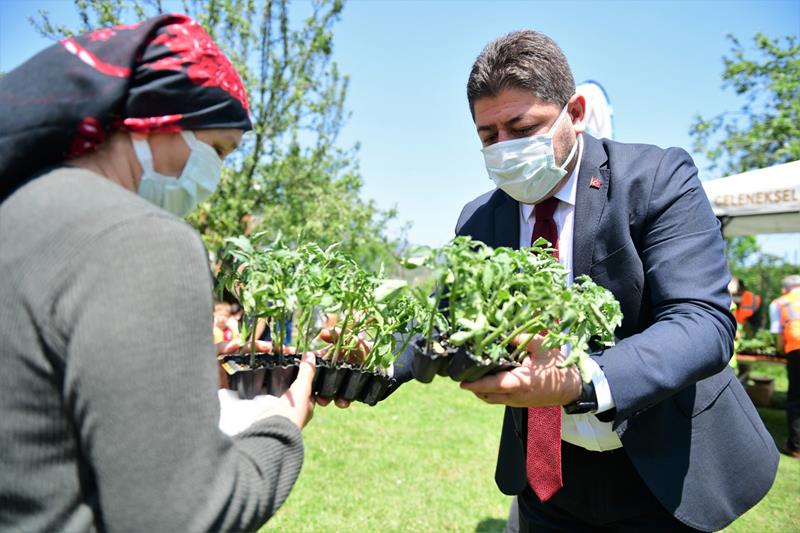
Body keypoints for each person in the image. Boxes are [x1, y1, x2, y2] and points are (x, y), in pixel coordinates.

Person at [395, 30, 778, 532]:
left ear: (574, 113)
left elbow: (703, 322)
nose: (505, 148)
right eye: (488, 137)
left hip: (662, 469)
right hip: (549, 476)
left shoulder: (655, 178)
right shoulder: (480, 219)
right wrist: (373, 353)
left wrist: (579, 380)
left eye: (522, 127)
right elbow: (445, 322)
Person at [0, 15, 319, 531]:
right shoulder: (139, 238)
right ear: (159, 119)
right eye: (217, 150)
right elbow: (183, 515)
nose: (216, 175)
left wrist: (175, 367)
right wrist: (280, 427)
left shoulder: (17, 209)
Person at [769, 274, 800, 458]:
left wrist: (781, 350)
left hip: (796, 348)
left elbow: (779, 335)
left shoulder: (780, 303)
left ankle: (795, 447)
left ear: (784, 289)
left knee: (796, 398)